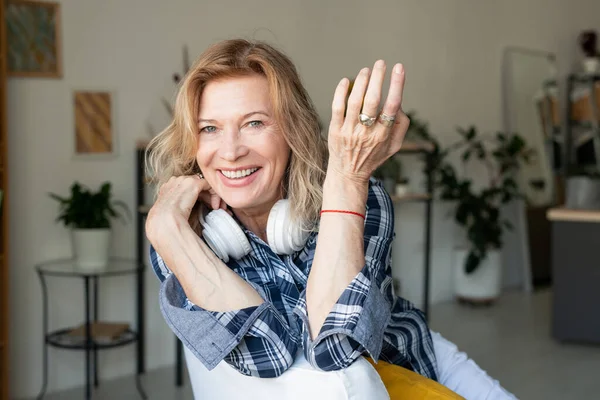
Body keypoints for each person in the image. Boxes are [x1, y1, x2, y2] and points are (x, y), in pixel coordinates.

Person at [144, 38, 516, 399]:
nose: (231, 151)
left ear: (293, 130)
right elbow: (268, 355)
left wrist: (347, 178)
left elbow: (336, 347)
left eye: (254, 123)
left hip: (414, 364)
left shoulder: (357, 193)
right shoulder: (179, 234)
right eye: (210, 128)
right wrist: (169, 232)